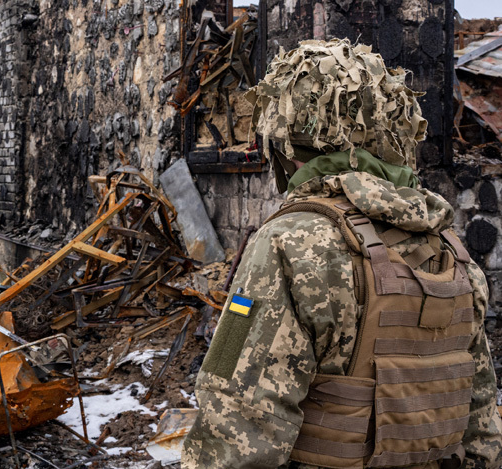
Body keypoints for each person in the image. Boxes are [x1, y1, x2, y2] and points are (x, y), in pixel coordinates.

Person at [179, 39, 502, 469]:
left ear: (290, 139)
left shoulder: (286, 243)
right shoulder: (451, 249)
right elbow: (482, 425)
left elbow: (237, 415)